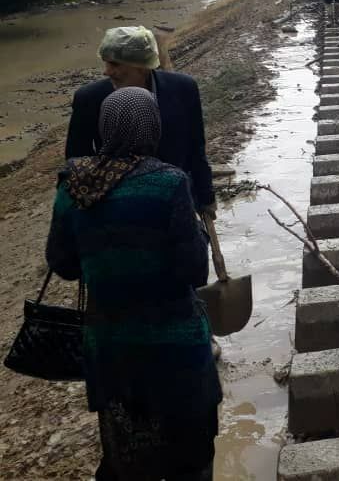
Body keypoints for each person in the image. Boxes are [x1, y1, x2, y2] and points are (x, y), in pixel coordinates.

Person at [46, 87, 222, 480]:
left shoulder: (72, 183)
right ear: (152, 129)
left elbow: (63, 264)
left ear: (103, 128)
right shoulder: (169, 183)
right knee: (191, 456)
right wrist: (202, 236)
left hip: (111, 348)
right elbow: (195, 271)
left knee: (126, 456)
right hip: (175, 345)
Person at [65, 27, 216, 221]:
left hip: (175, 199)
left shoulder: (183, 89)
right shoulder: (89, 98)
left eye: (115, 64)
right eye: (106, 63)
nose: (107, 71)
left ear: (142, 67)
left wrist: (206, 196)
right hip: (115, 204)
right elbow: (76, 159)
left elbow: (196, 147)